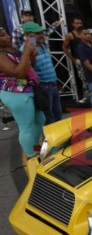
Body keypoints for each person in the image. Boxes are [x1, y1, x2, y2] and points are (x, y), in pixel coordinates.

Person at [0, 25, 46, 158]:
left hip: (28, 89)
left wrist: (31, 56)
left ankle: (35, 148)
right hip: (15, 93)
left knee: (40, 120)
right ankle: (31, 156)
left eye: (7, 34)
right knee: (27, 126)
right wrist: (26, 51)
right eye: (2, 35)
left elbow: (28, 66)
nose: (8, 37)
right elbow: (18, 73)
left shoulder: (11, 49)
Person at [20, 22, 61, 124]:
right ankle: (50, 140)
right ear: (28, 35)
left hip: (53, 86)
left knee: (58, 116)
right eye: (38, 33)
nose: (41, 35)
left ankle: (62, 139)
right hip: (43, 87)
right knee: (49, 119)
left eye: (41, 32)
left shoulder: (42, 45)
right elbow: (26, 71)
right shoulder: (25, 50)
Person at [62, 16, 89, 102]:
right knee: (83, 78)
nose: (79, 25)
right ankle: (86, 96)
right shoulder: (71, 35)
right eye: (77, 23)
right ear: (73, 24)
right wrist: (72, 59)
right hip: (79, 59)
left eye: (80, 23)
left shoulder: (85, 33)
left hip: (88, 58)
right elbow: (64, 47)